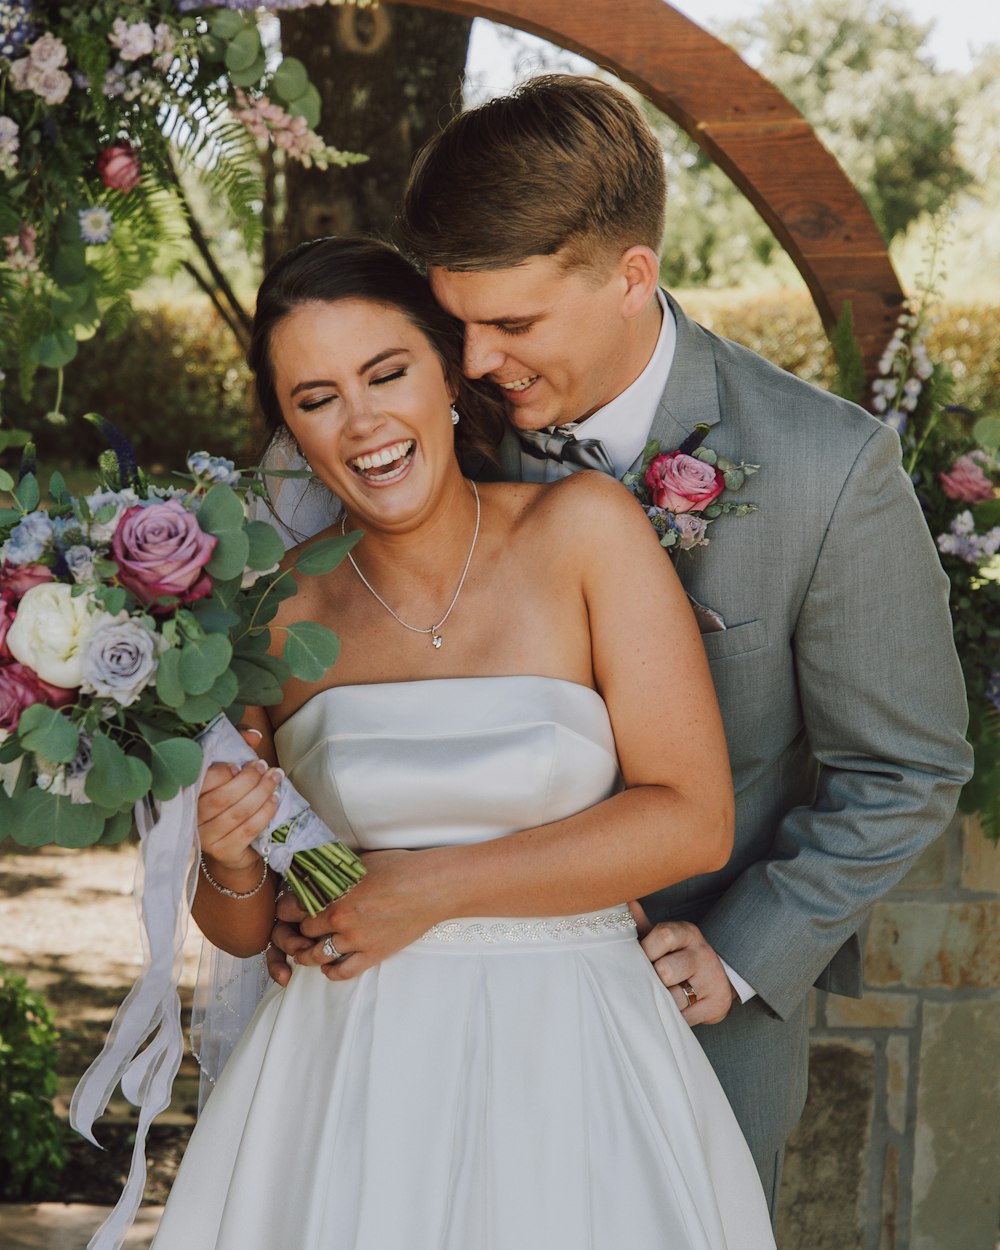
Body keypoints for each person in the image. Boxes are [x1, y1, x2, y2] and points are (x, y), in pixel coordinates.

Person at [264, 75, 974, 1214]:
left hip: (683, 1005)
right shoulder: (426, 421)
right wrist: (311, 875)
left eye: (512, 324)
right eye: (456, 324)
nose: (477, 360)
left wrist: (742, 949)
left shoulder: (823, 470)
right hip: (402, 1018)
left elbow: (905, 766)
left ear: (631, 274)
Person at [151, 235, 777, 1249]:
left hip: (574, 1050)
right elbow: (246, 924)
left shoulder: (584, 531)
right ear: (291, 429)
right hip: (348, 1058)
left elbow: (692, 820)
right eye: (315, 398)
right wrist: (226, 856)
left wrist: (429, 887)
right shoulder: (272, 606)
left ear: (447, 373)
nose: (361, 423)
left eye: (385, 373)